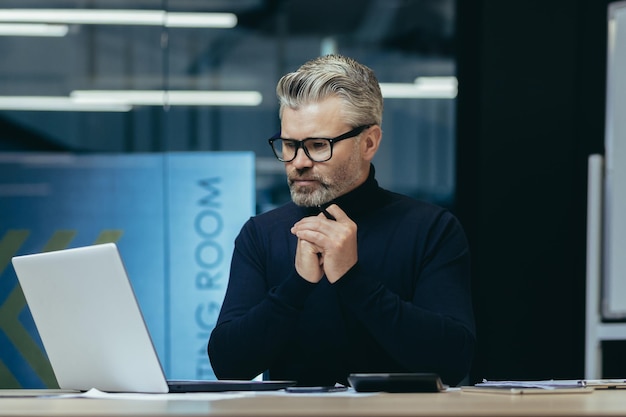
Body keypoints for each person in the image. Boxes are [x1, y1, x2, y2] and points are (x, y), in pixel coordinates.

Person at [208, 54, 475, 387]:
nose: (298, 162)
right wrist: (297, 286)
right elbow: (228, 365)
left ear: (369, 142)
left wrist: (352, 278)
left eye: (318, 145)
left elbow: (452, 360)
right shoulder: (262, 234)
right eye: (289, 145)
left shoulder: (431, 229)